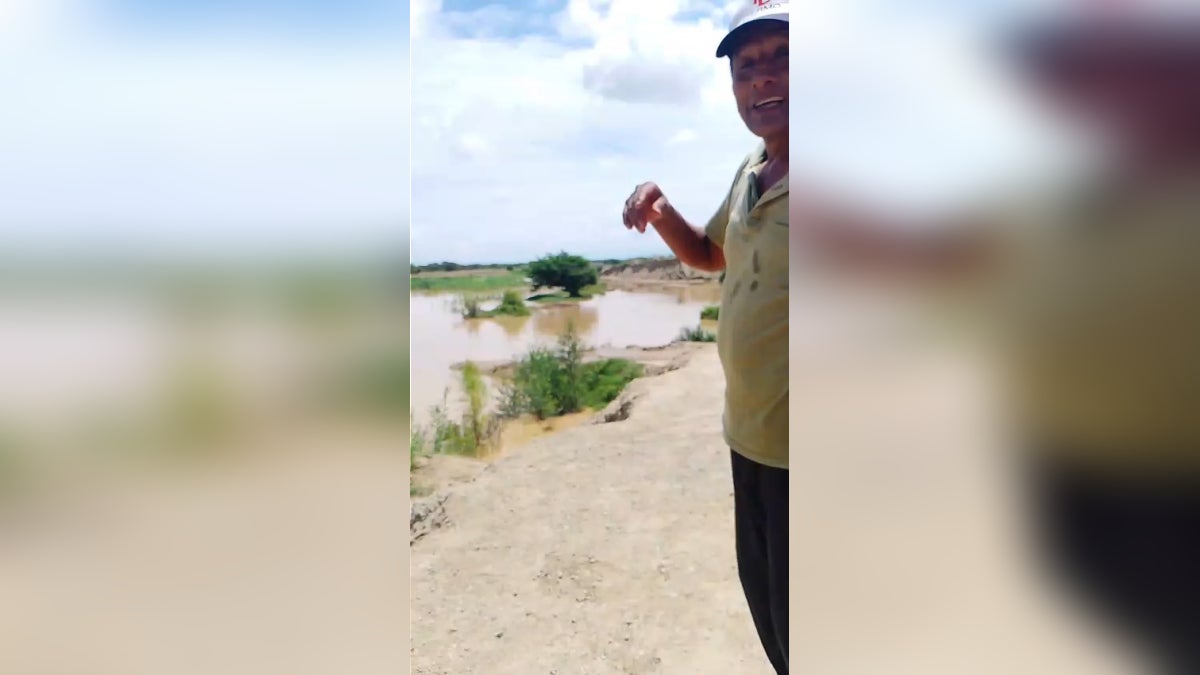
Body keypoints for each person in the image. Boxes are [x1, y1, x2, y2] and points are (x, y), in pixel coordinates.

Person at [792, 7, 1200, 673]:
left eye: (1141, 68)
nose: (1114, 91)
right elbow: (931, 258)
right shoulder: (1058, 204)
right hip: (1077, 482)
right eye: (1089, 73)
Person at [621, 1, 790, 672]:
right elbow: (710, 253)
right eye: (746, 66)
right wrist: (661, 214)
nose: (762, 78)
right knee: (775, 622)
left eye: (782, 58)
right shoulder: (753, 168)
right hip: (749, 435)